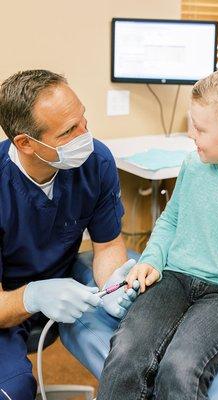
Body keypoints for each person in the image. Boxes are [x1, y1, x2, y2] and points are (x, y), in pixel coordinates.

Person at [96, 67, 218, 400]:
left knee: (179, 368)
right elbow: (172, 218)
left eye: (200, 129)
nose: (191, 135)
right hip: (174, 277)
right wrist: (152, 259)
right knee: (126, 353)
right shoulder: (193, 165)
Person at [0, 69, 139, 400]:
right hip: (6, 299)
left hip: (65, 278)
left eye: (84, 120)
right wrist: (32, 297)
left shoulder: (97, 161)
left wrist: (111, 283)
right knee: (12, 389)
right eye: (68, 132)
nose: (85, 136)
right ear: (25, 143)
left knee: (139, 347)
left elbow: (107, 246)